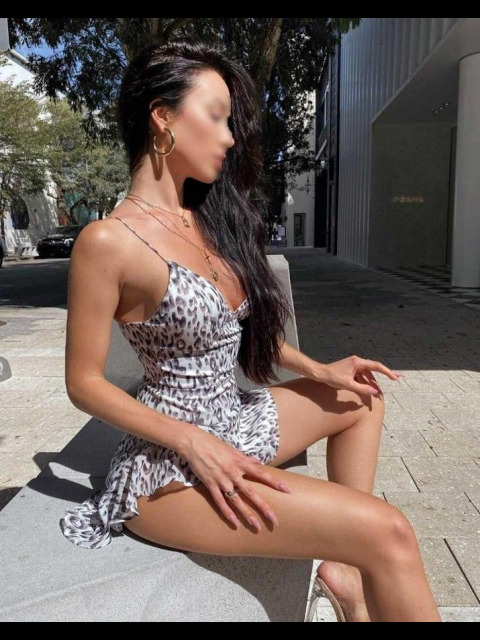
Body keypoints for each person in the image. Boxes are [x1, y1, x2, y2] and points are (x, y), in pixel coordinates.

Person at [59, 38, 442, 623]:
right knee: (388, 532)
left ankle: (341, 570)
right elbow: (84, 383)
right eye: (216, 116)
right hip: (171, 470)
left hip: (234, 419)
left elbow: (228, 330)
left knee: (361, 397)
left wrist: (318, 369)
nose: (230, 137)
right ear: (162, 117)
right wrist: (192, 440)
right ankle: (356, 558)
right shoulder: (107, 241)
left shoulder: (202, 220)